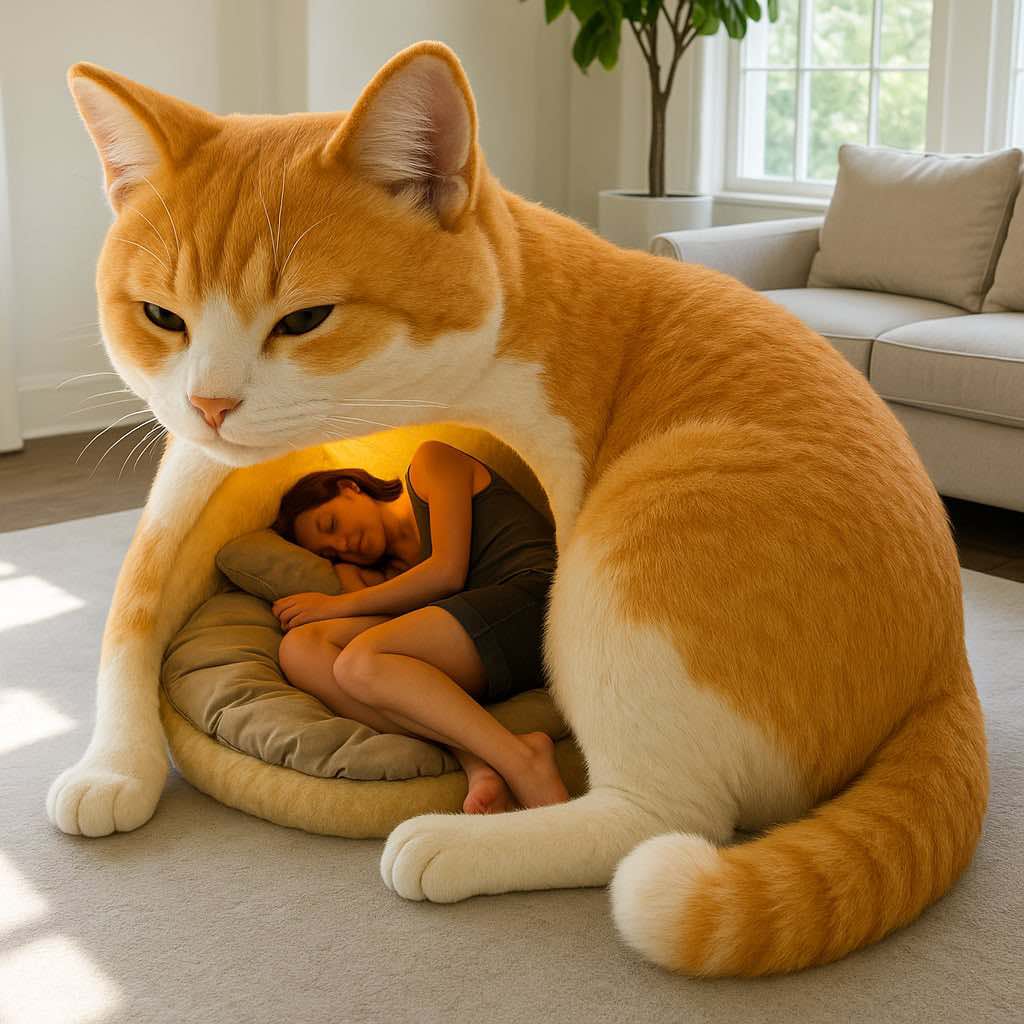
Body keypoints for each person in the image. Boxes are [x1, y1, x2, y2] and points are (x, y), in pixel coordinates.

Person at [271, 440, 569, 815]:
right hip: (483, 636)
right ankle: (476, 758)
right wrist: (347, 574)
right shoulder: (393, 572)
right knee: (301, 648)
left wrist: (335, 604)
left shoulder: (432, 462)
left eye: (331, 524)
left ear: (350, 487)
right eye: (331, 552)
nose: (343, 543)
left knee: (360, 664)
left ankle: (522, 759)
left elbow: (447, 573)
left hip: (538, 601)